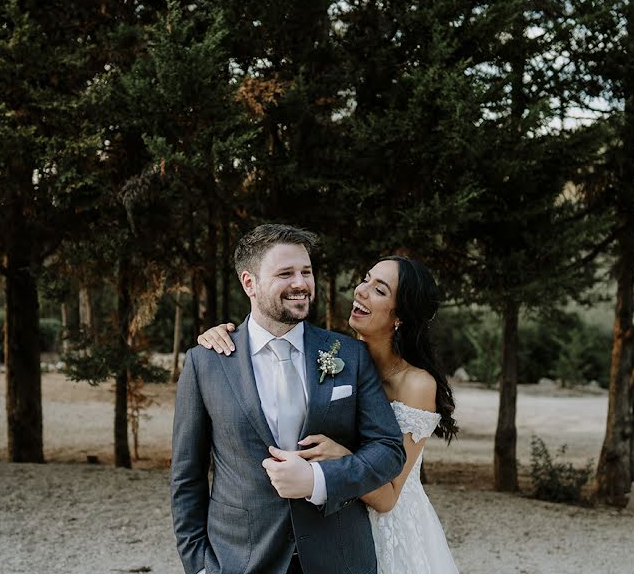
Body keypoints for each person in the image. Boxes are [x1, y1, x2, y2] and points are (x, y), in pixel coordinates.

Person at [199, 255, 460, 573]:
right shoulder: (336, 355)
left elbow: (389, 495)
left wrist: (340, 457)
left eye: (379, 290)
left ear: (401, 315)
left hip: (390, 530)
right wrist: (227, 337)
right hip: (333, 524)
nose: (361, 291)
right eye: (365, 279)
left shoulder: (416, 384)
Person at [171, 224, 406, 574]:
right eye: (286, 273)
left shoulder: (350, 355)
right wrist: (201, 566)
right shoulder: (206, 362)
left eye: (306, 272)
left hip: (339, 559)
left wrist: (319, 480)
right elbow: (186, 477)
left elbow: (388, 449)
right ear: (249, 283)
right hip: (242, 560)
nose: (301, 283)